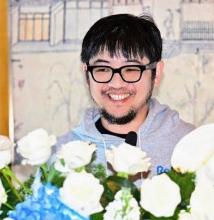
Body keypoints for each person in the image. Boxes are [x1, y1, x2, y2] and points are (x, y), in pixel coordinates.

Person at [55, 13, 195, 177]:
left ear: (156, 73)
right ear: (87, 74)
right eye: (103, 69)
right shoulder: (60, 156)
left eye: (131, 69)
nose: (117, 84)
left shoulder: (192, 145)